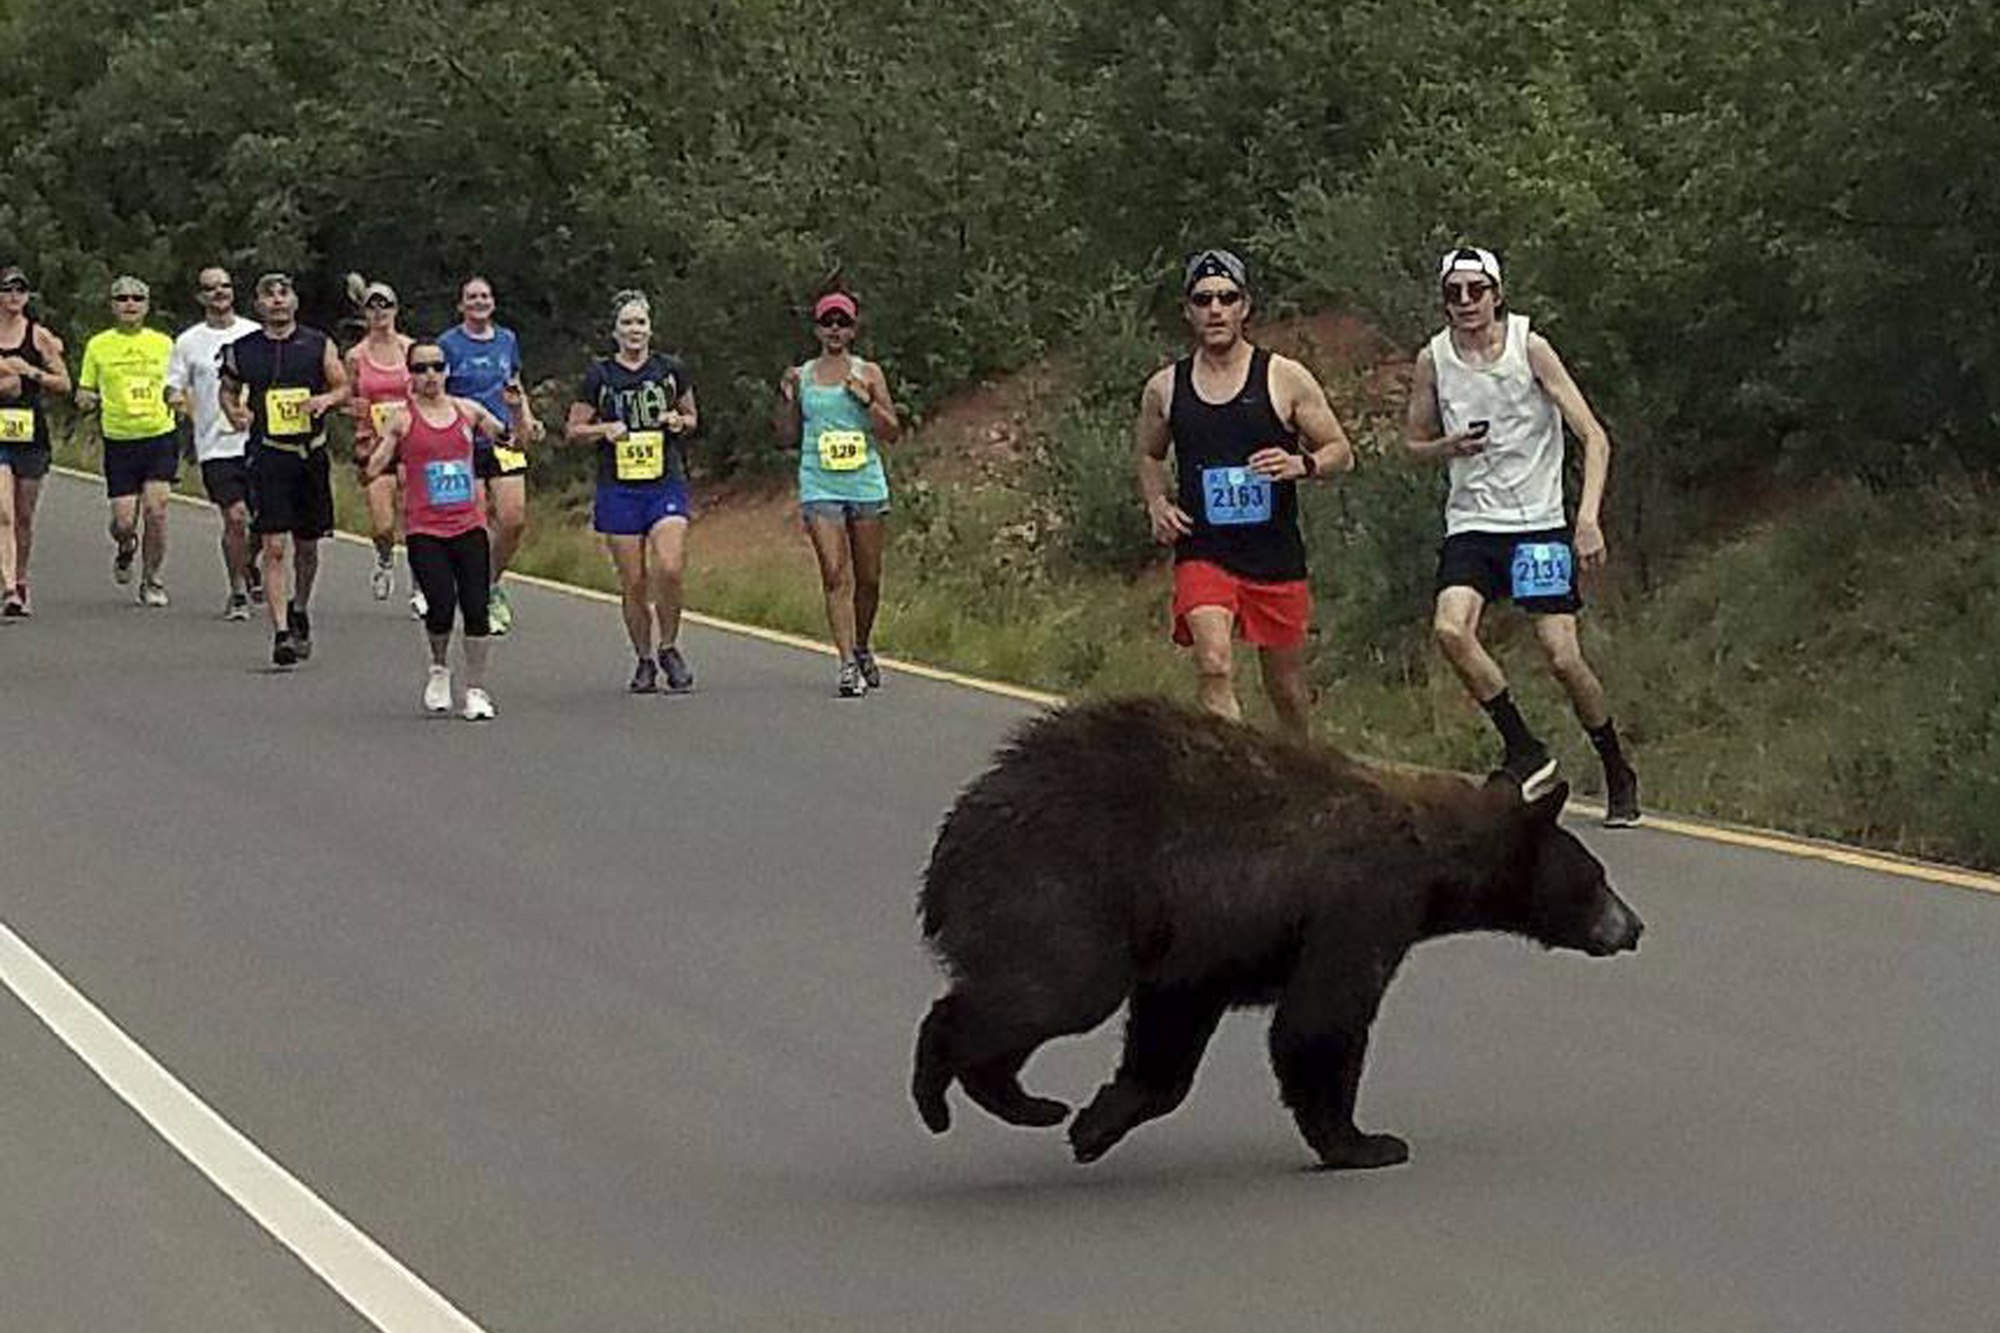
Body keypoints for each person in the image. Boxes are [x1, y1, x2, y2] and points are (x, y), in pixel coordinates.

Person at [1404, 245, 1640, 826]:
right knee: (1449, 629)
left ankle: (1615, 765)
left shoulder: (1529, 348)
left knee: (1561, 656)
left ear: (1496, 294)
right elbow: (1411, 443)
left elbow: (1594, 436)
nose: (1464, 303)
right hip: (1474, 523)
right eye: (1453, 293)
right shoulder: (1433, 360)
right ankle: (1524, 747)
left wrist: (1586, 519)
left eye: (1474, 291)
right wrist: (1445, 448)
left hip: (1537, 525)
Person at [1133, 248, 1355, 740]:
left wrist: (1302, 464)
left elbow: (1342, 449)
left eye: (1226, 298)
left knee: (1286, 687)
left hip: (1273, 554)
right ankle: (1229, 783)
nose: (1215, 309)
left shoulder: (1284, 377)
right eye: (1204, 299)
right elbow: (1148, 456)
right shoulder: (1165, 388)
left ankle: (1304, 773)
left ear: (1245, 307)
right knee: (1213, 665)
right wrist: (1157, 504)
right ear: (1188, 311)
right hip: (1204, 550)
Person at [364, 341, 524, 721]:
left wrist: (515, 410)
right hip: (425, 528)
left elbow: (510, 440)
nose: (430, 375)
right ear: (411, 376)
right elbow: (375, 464)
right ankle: (439, 668)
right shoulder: (402, 420)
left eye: (436, 366)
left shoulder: (467, 412)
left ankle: (476, 688)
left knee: (476, 607)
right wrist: (376, 461)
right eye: (420, 369)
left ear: (447, 371)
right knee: (439, 604)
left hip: (469, 524)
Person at [563, 289, 698, 693]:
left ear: (651, 328)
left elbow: (693, 417)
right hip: (619, 488)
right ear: (615, 331)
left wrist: (679, 421)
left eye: (640, 322)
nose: (634, 330)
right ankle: (643, 658)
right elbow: (572, 430)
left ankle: (670, 646)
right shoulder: (600, 376)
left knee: (670, 567)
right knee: (634, 581)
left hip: (664, 482)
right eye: (627, 323)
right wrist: (604, 429)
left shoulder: (670, 370)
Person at [219, 272, 350, 667]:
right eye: (268, 295)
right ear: (257, 305)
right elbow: (227, 389)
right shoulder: (243, 349)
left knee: (307, 546)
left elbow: (344, 386)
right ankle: (280, 632)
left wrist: (325, 401)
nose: (277, 301)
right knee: (275, 546)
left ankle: (300, 607)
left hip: (310, 454)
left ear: (294, 301)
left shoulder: (316, 343)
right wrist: (234, 410)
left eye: (284, 293)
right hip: (270, 453)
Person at [775, 291, 900, 697]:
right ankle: (846, 663)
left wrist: (867, 403)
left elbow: (892, 431)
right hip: (820, 481)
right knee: (834, 573)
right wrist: (788, 400)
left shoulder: (869, 373)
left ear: (853, 329)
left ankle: (862, 645)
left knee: (869, 578)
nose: (834, 330)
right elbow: (786, 436)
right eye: (827, 322)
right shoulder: (804, 375)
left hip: (863, 480)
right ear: (816, 329)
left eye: (841, 323)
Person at [438, 276, 541, 634]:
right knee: (475, 524)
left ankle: (489, 583)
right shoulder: (448, 344)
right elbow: (436, 392)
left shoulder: (506, 339)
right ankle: (470, 589)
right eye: (472, 297)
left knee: (513, 519)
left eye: (484, 296)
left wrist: (526, 418)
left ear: (493, 303)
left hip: (504, 440)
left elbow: (515, 384)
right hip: (462, 443)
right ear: (462, 305)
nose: (479, 302)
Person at [76, 276, 178, 606]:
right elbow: (85, 388)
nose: (130, 304)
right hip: (120, 440)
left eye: (137, 298)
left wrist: (179, 398)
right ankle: (125, 546)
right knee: (123, 521)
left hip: (159, 434)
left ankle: (152, 580)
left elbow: (177, 383)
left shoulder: (163, 344)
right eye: (122, 299)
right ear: (113, 306)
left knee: (156, 509)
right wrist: (86, 399)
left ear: (147, 306)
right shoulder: (98, 345)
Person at [166, 266, 261, 618]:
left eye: (224, 286)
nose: (219, 293)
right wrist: (191, 412)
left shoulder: (254, 333)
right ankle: (237, 592)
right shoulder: (189, 342)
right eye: (211, 288)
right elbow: (173, 388)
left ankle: (250, 562)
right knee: (235, 517)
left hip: (259, 442)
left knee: (262, 522)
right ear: (200, 296)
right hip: (216, 444)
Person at [0, 264, 71, 617]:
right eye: (7, 289)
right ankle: (8, 587)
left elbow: (64, 383)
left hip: (29, 431)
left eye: (20, 289)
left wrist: (30, 371)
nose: (14, 296)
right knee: (3, 513)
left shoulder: (38, 336)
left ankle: (21, 578)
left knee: (23, 515)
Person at [344, 275, 412, 606]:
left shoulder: (410, 350)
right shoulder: (356, 356)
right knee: (383, 523)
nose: (379, 312)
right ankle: (385, 559)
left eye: (385, 305)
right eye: (372, 306)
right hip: (373, 445)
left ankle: (422, 584)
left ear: (396, 310)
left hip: (411, 444)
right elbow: (347, 394)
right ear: (364, 313)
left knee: (416, 519)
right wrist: (352, 409)